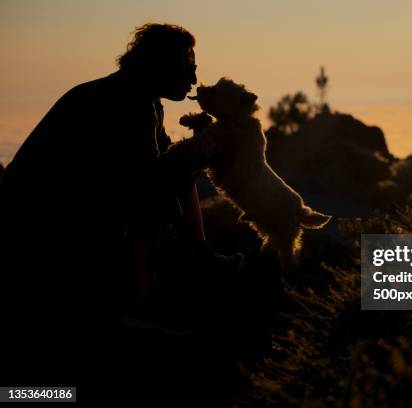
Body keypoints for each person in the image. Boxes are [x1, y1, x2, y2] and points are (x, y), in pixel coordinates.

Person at [0, 23, 240, 395]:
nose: (195, 75)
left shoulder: (142, 101)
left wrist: (197, 240)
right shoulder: (124, 103)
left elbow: (167, 175)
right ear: (159, 65)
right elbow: (146, 187)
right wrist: (204, 147)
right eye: (186, 64)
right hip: (41, 235)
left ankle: (185, 266)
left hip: (74, 225)